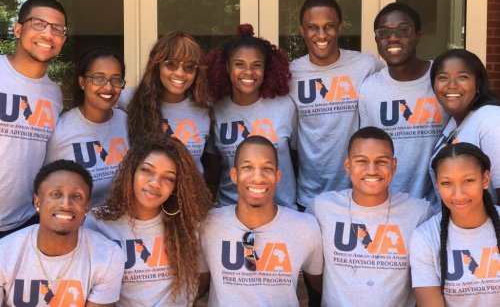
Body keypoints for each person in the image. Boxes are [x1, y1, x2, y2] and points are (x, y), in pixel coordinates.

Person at [306, 126, 432, 307]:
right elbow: (314, 272)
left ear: (393, 165)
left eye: (381, 161)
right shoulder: (321, 208)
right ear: (348, 165)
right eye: (361, 161)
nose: (372, 170)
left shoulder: (420, 213)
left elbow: (426, 279)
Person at [85, 134, 212, 306]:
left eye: (168, 178)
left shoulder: (187, 223)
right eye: (147, 170)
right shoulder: (97, 222)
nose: (155, 183)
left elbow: (201, 281)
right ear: (132, 171)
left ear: (177, 186)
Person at [198, 135, 323, 306]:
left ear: (277, 177)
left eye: (267, 168)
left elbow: (321, 285)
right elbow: (199, 287)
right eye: (248, 167)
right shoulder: (207, 225)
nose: (258, 177)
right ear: (234, 175)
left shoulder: (306, 227)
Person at [288, 0, 385, 211]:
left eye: (329, 26)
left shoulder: (366, 64)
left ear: (340, 27)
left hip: (355, 191)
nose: (321, 34)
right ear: (302, 30)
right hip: (309, 197)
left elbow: (399, 80)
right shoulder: (290, 73)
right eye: (313, 27)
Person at [358, 2, 447, 208]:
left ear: (418, 35)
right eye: (384, 32)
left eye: (402, 30)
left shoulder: (441, 78)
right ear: (377, 40)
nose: (393, 37)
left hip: (439, 207)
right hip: (389, 208)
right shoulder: (369, 89)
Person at [0, 159, 124, 306]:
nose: (66, 204)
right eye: (56, 194)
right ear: (38, 202)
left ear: (86, 207)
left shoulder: (107, 255)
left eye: (76, 196)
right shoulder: (5, 254)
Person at [204, 23, 298, 209]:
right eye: (239, 64)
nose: (248, 72)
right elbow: (213, 172)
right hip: (231, 213)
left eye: (257, 65)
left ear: (266, 69)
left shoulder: (285, 106)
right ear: (227, 67)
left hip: (282, 212)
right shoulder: (215, 110)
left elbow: (297, 160)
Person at [0, 0, 67, 237]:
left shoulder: (54, 94)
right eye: (38, 24)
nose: (48, 34)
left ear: (63, 40)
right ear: (18, 30)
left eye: (57, 29)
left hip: (23, 224)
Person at [410, 143, 500, 306]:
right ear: (437, 185)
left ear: (485, 179)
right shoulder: (425, 237)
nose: (458, 194)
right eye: (446, 183)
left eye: (468, 180)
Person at [45, 45, 129, 208]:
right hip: (79, 229)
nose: (108, 87)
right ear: (82, 82)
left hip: (123, 227)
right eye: (99, 78)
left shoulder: (127, 122)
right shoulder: (61, 131)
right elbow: (48, 189)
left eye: (116, 79)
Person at [123, 31, 212, 173]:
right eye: (171, 64)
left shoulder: (204, 107)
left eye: (189, 67)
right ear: (157, 66)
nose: (180, 73)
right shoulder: (130, 99)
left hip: (193, 194)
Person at [430, 48, 500, 203]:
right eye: (443, 78)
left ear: (478, 84)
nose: (452, 85)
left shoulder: (491, 119)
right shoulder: (454, 122)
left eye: (462, 77)